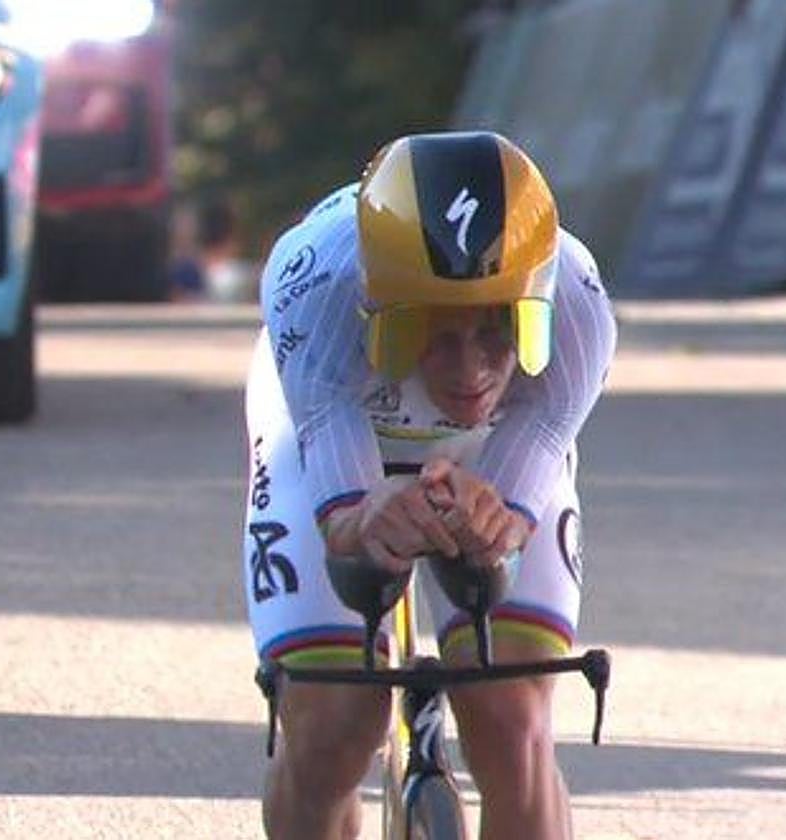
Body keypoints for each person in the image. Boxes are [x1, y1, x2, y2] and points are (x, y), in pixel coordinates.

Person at [241, 131, 616, 840]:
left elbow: (530, 454)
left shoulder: (577, 303)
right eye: (434, 333)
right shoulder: (313, 283)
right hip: (334, 423)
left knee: (513, 722)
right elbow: (342, 516)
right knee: (332, 732)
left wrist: (497, 517)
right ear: (378, 304)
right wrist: (360, 517)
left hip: (493, 447)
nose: (471, 369)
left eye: (499, 329)